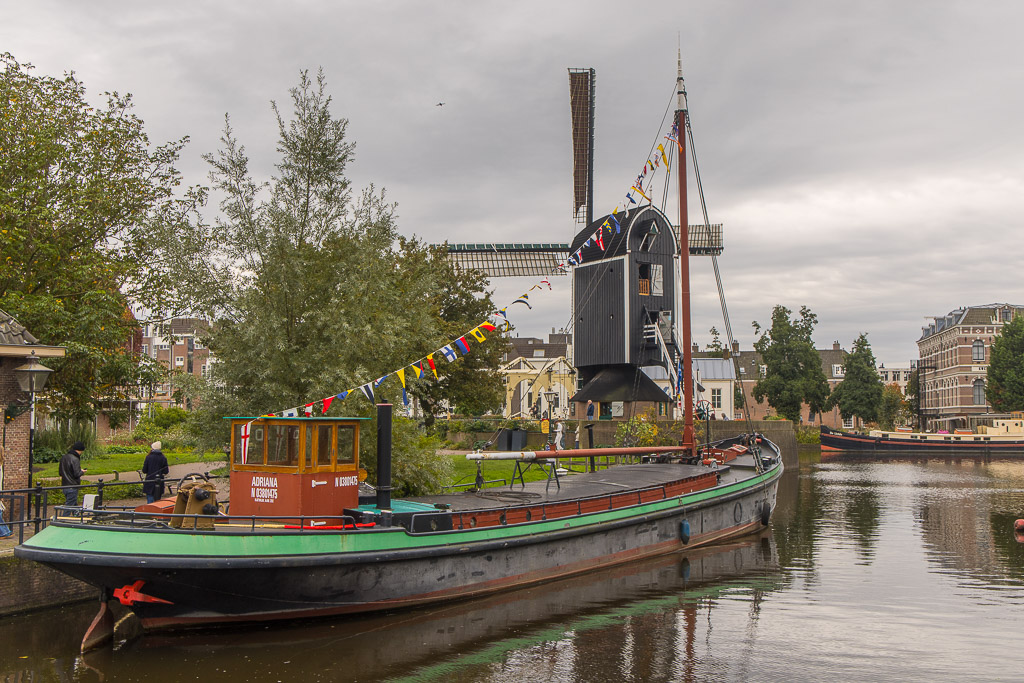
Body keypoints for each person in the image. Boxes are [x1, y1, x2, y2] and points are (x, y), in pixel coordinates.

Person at [59, 441, 86, 508]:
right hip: (72, 485)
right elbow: (76, 474)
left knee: (73, 504)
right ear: (80, 450)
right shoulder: (75, 459)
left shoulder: (64, 457)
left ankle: (76, 515)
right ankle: (64, 518)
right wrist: (82, 472)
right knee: (69, 506)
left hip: (64, 485)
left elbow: (60, 472)